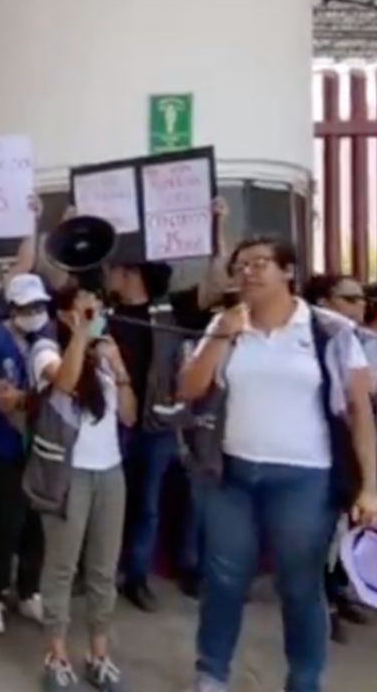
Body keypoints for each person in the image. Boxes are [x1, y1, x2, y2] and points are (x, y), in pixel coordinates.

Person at [178, 238, 377, 692]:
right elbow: (188, 389)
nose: (247, 272)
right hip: (231, 475)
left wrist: (370, 486)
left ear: (288, 271)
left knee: (300, 586)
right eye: (240, 266)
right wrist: (223, 335)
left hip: (305, 480)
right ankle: (211, 673)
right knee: (224, 580)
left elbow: (359, 410)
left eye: (259, 264)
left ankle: (304, 680)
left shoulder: (330, 330)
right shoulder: (223, 324)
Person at [107, 198, 230, 612]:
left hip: (156, 429)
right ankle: (102, 574)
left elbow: (215, 284)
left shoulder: (172, 309)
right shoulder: (101, 313)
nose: (110, 275)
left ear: (131, 272)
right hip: (110, 426)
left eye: (116, 268)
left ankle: (136, 577)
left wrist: (217, 227)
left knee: (146, 506)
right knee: (106, 506)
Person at [31, 285, 135, 692]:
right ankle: (56, 654)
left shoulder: (107, 354)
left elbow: (128, 417)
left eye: (98, 306)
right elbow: (64, 383)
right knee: (61, 566)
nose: (95, 313)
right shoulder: (46, 349)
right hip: (66, 473)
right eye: (84, 307)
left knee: (103, 568)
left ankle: (99, 651)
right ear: (64, 315)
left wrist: (120, 367)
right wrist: (80, 335)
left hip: (110, 472)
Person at [0, 274, 52, 633]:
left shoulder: (51, 338)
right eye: (26, 307)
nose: (35, 313)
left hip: (42, 449)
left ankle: (29, 590)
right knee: (0, 524)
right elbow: (1, 398)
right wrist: (35, 408)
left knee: (37, 524)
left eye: (40, 306)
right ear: (11, 308)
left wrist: (32, 408)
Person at [302, 273, 373, 644]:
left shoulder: (365, 340)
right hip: (329, 445)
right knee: (326, 528)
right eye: (349, 298)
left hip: (363, 443)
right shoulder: (321, 340)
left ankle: (344, 587)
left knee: (356, 522)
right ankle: (323, 601)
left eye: (361, 298)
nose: (359, 305)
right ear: (324, 302)